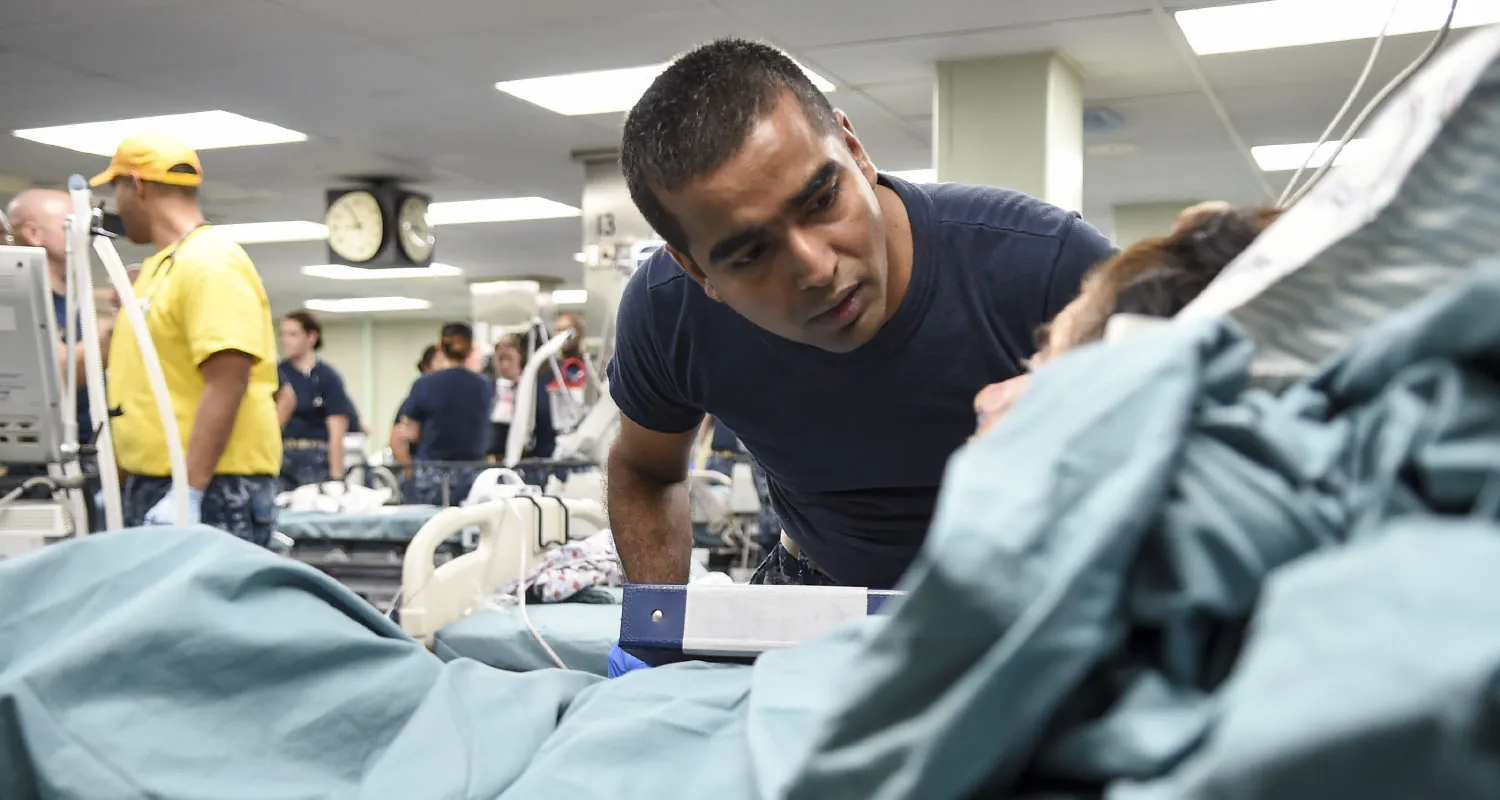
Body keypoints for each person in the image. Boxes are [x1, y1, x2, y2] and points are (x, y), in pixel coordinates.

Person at [605, 39, 1117, 591]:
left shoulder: (1047, 265)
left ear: (855, 149)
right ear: (696, 269)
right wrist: (656, 631)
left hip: (1041, 588)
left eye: (822, 200)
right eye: (752, 254)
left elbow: (1200, 449)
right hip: (821, 582)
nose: (817, 269)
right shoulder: (667, 310)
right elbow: (645, 470)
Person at [93, 132, 281, 545]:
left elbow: (228, 380)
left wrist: (189, 489)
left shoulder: (210, 261)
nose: (114, 206)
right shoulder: (162, 268)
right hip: (159, 480)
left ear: (136, 186)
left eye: (115, 190)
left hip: (210, 483)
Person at [6, 189, 113, 449]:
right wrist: (118, 326)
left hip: (89, 448)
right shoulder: (14, 300)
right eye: (71, 223)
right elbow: (59, 373)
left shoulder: (75, 298)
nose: (85, 231)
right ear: (33, 234)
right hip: (45, 456)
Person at [391, 323, 493, 505]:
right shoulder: (484, 386)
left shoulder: (425, 385)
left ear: (440, 347)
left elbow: (409, 433)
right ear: (471, 348)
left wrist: (411, 472)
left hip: (432, 476)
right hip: (473, 476)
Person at [276, 310, 357, 491]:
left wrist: (336, 479)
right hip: (283, 455)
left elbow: (336, 432)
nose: (285, 340)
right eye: (282, 334)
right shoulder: (277, 373)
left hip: (316, 457)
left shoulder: (328, 377)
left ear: (311, 337)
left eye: (293, 334)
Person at [487, 334, 557, 461]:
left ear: (521, 358)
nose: (505, 365)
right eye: (500, 359)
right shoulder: (488, 388)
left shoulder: (535, 390)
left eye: (509, 359)